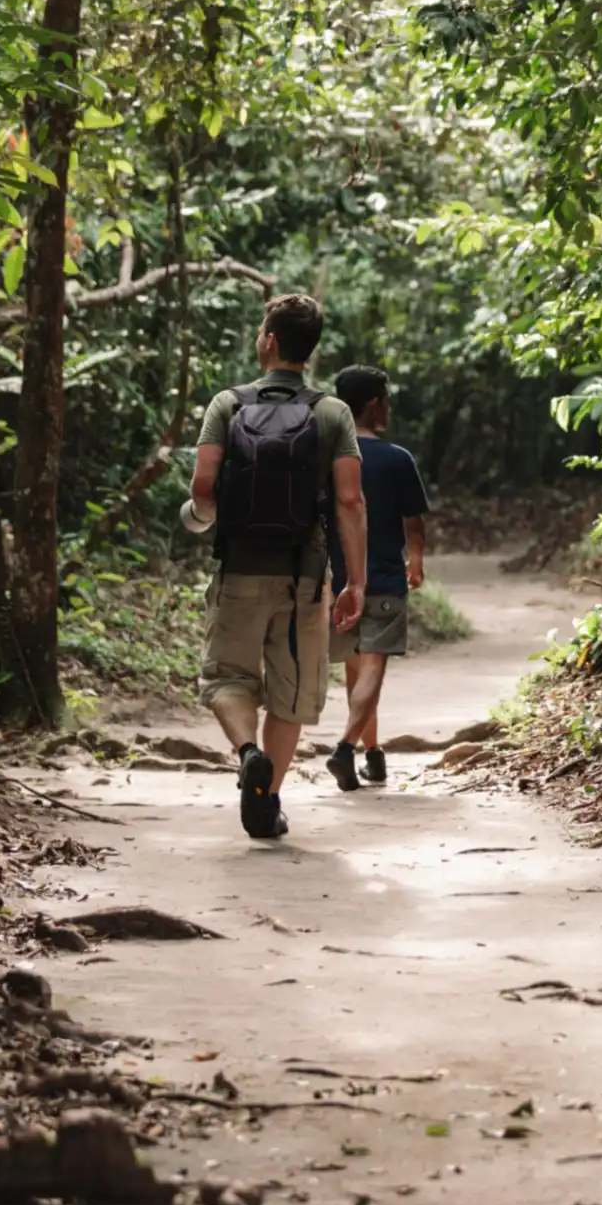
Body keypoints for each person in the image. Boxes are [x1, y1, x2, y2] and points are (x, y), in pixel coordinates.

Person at [181, 294, 366, 838]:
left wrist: (207, 515)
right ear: (310, 351)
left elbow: (203, 489)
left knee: (225, 678)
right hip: (305, 580)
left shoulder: (227, 406)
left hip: (239, 570)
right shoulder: (332, 412)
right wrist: (355, 581)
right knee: (290, 695)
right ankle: (268, 798)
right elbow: (351, 502)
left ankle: (245, 752)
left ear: (268, 341)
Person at [324, 365, 430, 791]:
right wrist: (416, 561)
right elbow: (414, 523)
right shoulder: (397, 458)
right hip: (384, 579)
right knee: (373, 668)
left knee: (356, 670)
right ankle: (347, 748)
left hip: (339, 581)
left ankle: (373, 755)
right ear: (373, 403)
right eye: (385, 399)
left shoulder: (330, 459)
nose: (388, 406)